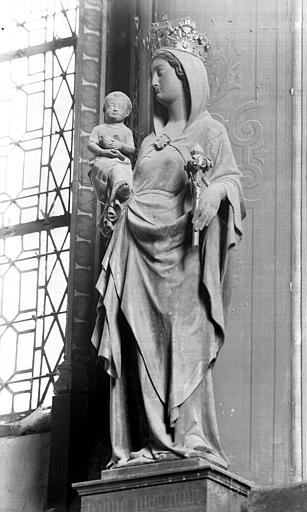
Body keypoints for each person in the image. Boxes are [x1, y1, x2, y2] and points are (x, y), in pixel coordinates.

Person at [91, 17, 245, 470]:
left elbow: (230, 181)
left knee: (183, 340)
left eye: (162, 71)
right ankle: (147, 440)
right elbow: (131, 186)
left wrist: (215, 191)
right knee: (137, 343)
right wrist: (118, 187)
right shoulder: (147, 142)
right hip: (135, 250)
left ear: (185, 75)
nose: (153, 80)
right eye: (153, 72)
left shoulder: (210, 131)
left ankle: (186, 435)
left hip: (183, 257)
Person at [88, 91, 135, 234]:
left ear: (127, 113)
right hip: (103, 161)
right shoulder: (100, 129)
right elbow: (91, 144)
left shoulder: (126, 131)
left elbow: (131, 149)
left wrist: (120, 146)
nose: (115, 109)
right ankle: (119, 192)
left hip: (120, 161)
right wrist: (103, 152)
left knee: (121, 170)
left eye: (120, 107)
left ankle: (116, 199)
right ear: (104, 110)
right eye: (111, 106)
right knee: (115, 171)